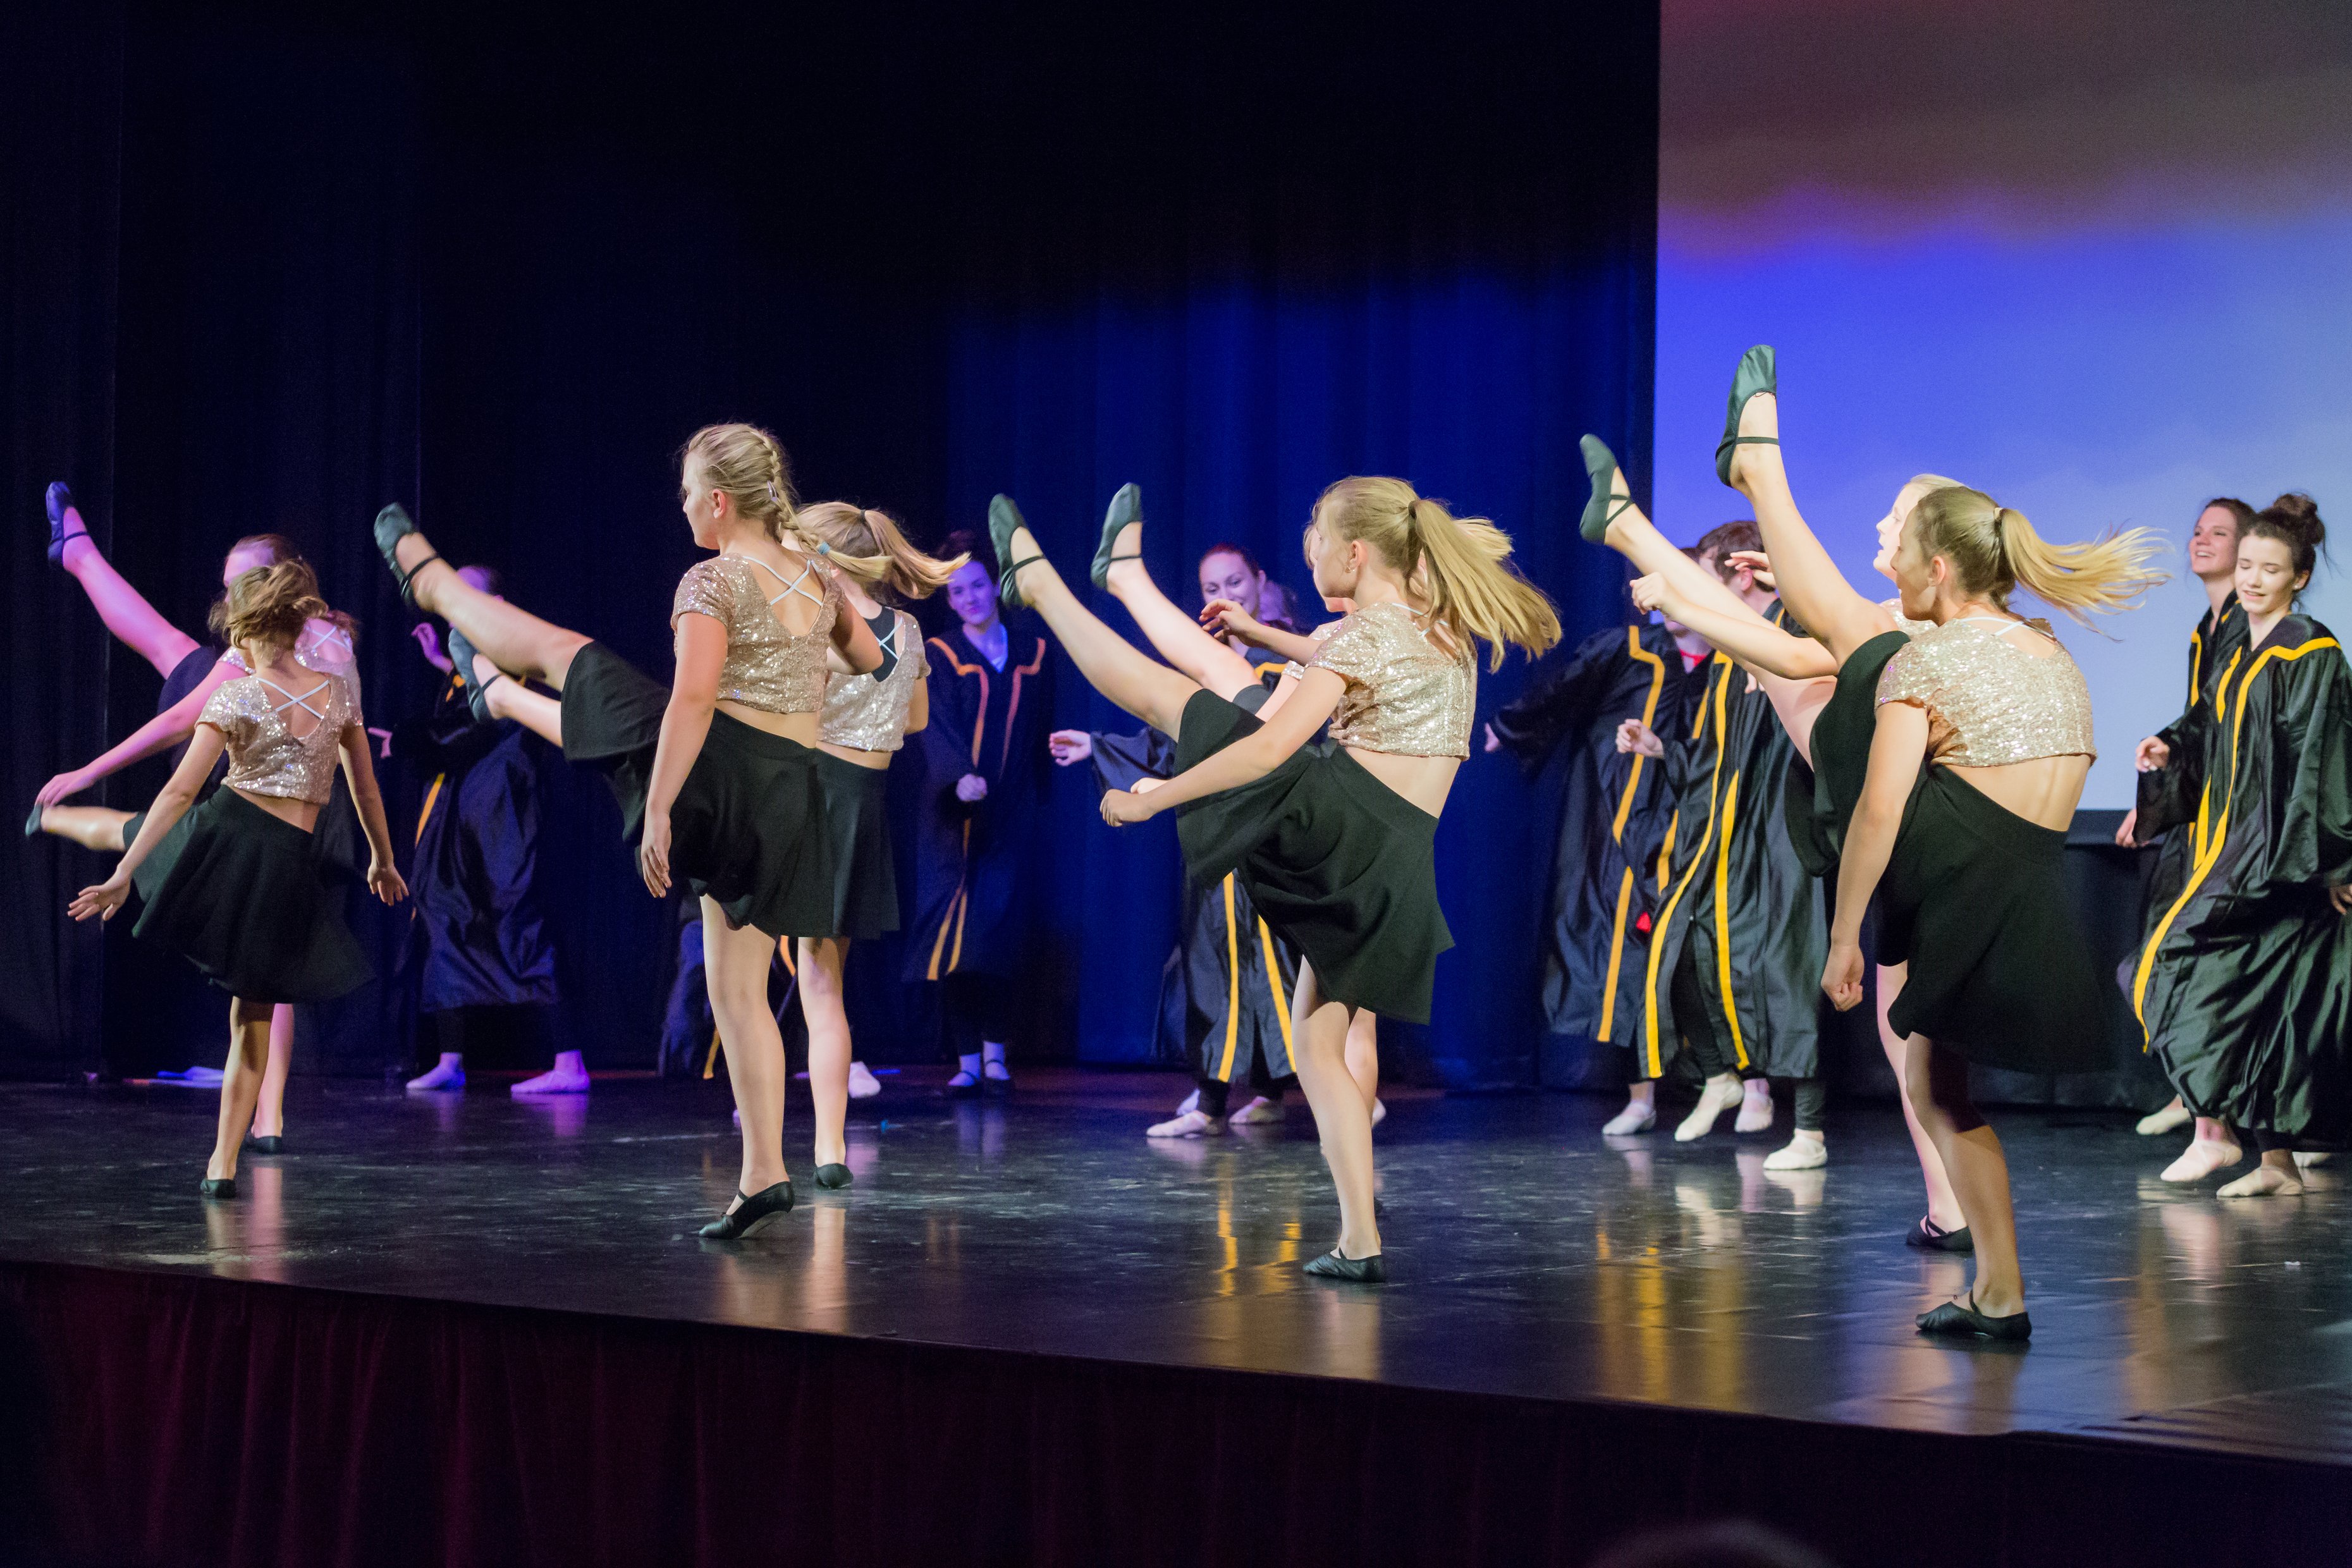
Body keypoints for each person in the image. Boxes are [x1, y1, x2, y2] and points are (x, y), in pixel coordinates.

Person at [1605, 344, 2162, 1338]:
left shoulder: (1926, 663)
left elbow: (1873, 810)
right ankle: (2000, 1289)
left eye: (1900, 545)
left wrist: (1843, 936)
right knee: (1942, 1091)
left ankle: (1756, 476)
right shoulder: (2046, 649)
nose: (1888, 557)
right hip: (2022, 894)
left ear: (1938, 566)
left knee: (1836, 656)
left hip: (1949, 864)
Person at [990, 475, 1560, 1280]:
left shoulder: (1363, 636)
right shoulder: (1440, 629)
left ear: (1354, 554)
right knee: (1322, 1043)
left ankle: (1047, 586)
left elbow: (1268, 750)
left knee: (1175, 696)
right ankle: (1359, 1238)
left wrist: (1155, 797)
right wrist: (1260, 630)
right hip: (1393, 865)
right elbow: (1332, 655)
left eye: (1315, 539)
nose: (1308, 550)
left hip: (1331, 826)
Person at [369, 422, 883, 1239]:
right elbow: (867, 660)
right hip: (792, 802)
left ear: (720, 502)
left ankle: (435, 590)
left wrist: (662, 810)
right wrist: (797, 668)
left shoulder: (711, 580)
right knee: (740, 996)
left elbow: (693, 700)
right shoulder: (816, 579)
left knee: (568, 654)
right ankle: (762, 1175)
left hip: (717, 781)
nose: (683, 507)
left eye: (688, 492)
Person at [64, 562, 406, 1195]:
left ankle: (224, 1162)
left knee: (245, 1014)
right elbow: (365, 790)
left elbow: (179, 791)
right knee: (253, 1018)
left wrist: (123, 875)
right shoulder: (337, 696)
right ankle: (221, 1162)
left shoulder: (238, 695)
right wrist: (381, 859)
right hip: (271, 858)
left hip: (234, 849)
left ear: (245, 631)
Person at [36, 502, 360, 1149]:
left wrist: (90, 768)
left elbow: (180, 721)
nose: (229, 599)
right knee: (171, 649)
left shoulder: (286, 645)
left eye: (242, 583)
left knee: (170, 647)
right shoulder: (309, 636)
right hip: (270, 778)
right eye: (227, 585)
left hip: (280, 788)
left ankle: (79, 554)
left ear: (276, 582)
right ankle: (268, 1118)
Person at [1050, 525, 1307, 1136]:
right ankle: (1223, 1098)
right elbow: (1179, 733)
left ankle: (1284, 1093)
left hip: (1268, 839)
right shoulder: (1210, 667)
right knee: (1211, 963)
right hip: (1215, 838)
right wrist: (1099, 745)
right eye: (1212, 589)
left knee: (1274, 970)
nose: (1225, 596)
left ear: (1260, 582)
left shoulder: (1284, 662)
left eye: (1235, 583)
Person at [2128, 496, 2351, 1197]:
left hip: (2277, 856)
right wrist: (2170, 746)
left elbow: (2327, 759)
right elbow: (2208, 725)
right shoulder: (2239, 648)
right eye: (2247, 565)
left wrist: (2335, 862)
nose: (2252, 579)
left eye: (2270, 569)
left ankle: (2216, 1132)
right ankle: (2272, 1161)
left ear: (2300, 577)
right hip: (2231, 845)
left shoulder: (2309, 650)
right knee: (2263, 1008)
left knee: (2172, 963)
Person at [1613, 523, 1830, 1171]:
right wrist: (1663, 750)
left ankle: (1810, 1129)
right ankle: (1721, 1074)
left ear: (1740, 572)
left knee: (1789, 971)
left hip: (1788, 829)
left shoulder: (1797, 630)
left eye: (1705, 576)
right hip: (1728, 836)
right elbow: (1715, 759)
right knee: (1685, 948)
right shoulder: (1728, 659)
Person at [1485, 561, 1708, 1137]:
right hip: (1622, 823)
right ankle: (1641, 1097)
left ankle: (1736, 1086)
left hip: (1695, 824)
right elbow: (1563, 689)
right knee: (1627, 951)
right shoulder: (1629, 649)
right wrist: (1511, 726)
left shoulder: (1729, 664)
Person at [789, 501, 962, 1184]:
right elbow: (915, 721)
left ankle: (792, 1131)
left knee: (797, 980)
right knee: (826, 984)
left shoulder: (815, 620)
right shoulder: (908, 629)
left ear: (826, 560)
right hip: (865, 808)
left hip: (814, 801)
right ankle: (830, 1147)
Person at [388, 568, 568, 1096]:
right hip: (460, 808)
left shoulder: (515, 654)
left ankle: (568, 1060)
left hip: (503, 806)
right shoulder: (468, 662)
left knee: (519, 921)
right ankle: (451, 1058)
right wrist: (443, 664)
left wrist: (413, 738)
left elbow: (483, 720)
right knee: (446, 919)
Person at [2116, 498, 2255, 1146]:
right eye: (2198, 531)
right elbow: (2201, 724)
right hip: (2204, 812)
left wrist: (2171, 749)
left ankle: (2222, 1114)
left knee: (2201, 956)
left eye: (2218, 533)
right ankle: (2191, 1092)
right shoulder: (2210, 626)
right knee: (2161, 952)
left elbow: (2222, 727)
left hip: (2240, 819)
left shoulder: (2253, 627)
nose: (2201, 540)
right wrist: (2150, 802)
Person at [907, 530, 1054, 1094]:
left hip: (1011, 817)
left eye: (976, 586)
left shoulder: (1034, 653)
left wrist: (1041, 789)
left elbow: (1040, 730)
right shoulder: (940, 655)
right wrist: (956, 776)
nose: (968, 598)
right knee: (957, 945)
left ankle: (996, 1054)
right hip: (952, 823)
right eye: (957, 591)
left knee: (1000, 938)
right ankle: (968, 1058)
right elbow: (933, 724)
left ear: (995, 585)